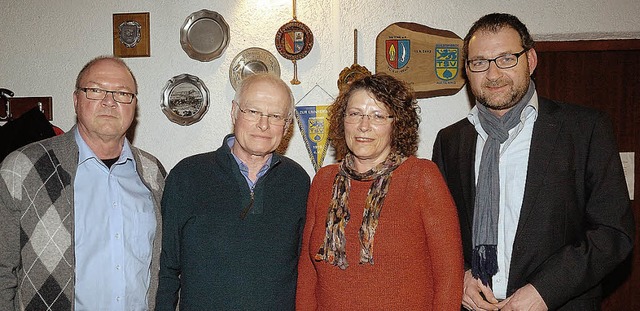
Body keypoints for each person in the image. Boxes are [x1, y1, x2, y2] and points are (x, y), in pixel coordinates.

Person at [432, 13, 635, 311]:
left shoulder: (585, 129)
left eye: (506, 58)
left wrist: (544, 291)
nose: (493, 74)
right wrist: (461, 276)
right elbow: (440, 232)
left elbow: (613, 233)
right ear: (467, 70)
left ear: (531, 59)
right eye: (479, 62)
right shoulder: (450, 141)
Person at [0, 56, 166, 310]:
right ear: (76, 100)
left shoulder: (153, 174)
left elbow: (166, 267)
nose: (109, 101)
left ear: (134, 106)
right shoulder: (22, 168)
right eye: (96, 90)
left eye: (123, 93)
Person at [296, 73, 464, 310]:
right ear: (342, 120)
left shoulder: (422, 177)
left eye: (377, 116)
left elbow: (449, 276)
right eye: (354, 114)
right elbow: (307, 273)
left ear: (397, 123)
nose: (364, 126)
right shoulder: (324, 180)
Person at [156, 73, 310, 310]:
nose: (263, 124)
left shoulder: (298, 182)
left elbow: (305, 272)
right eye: (253, 111)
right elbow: (166, 270)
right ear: (234, 111)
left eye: (275, 116)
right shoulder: (187, 176)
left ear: (287, 124)